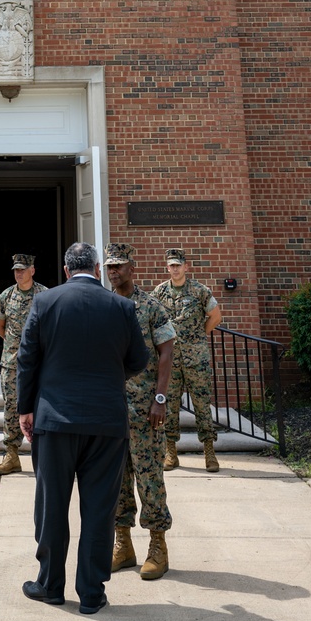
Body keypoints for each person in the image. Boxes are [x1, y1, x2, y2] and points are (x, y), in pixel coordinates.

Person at [16, 240, 148, 616]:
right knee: (99, 510)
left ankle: (50, 585)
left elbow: (27, 360)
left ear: (65, 270)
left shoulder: (44, 302)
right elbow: (138, 360)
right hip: (107, 421)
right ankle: (91, 592)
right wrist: (108, 378)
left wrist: (25, 409)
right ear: (95, 267)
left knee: (52, 505)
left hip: (54, 420)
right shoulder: (122, 306)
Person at [104, 244, 175, 580]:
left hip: (146, 408)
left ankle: (157, 546)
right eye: (108, 266)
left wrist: (160, 398)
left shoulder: (150, 307)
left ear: (132, 267)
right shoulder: (102, 305)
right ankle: (123, 544)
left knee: (149, 479)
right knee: (116, 479)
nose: (113, 271)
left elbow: (166, 352)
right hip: (111, 407)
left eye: (118, 265)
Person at [153, 248, 223, 471]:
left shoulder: (199, 291)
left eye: (178, 265)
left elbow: (215, 316)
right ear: (167, 268)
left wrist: (199, 335)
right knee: (170, 405)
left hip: (196, 358)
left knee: (202, 404)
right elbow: (153, 320)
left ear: (186, 267)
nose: (174, 269)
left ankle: (209, 453)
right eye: (171, 265)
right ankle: (171, 453)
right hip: (169, 359)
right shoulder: (159, 292)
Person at [0, 252, 47, 476]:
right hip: (12, 363)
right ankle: (12, 454)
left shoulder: (45, 295)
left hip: (40, 364)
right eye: (16, 270)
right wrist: (16, 348)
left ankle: (43, 454)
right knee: (12, 407)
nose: (19, 273)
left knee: (41, 406)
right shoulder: (6, 296)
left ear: (32, 270)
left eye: (23, 269)